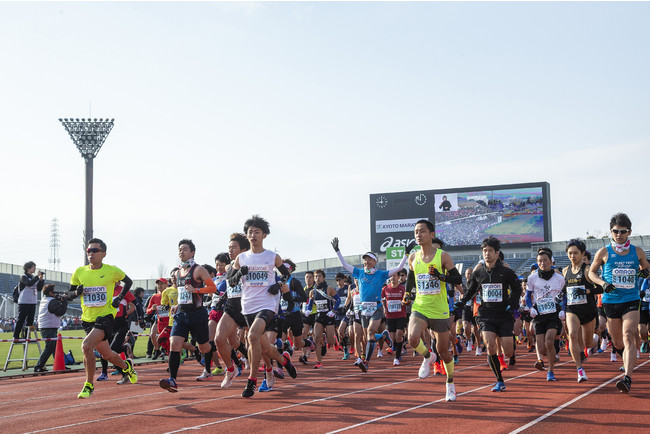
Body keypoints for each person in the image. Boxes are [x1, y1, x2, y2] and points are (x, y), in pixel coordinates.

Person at [229, 215, 297, 398]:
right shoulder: (241, 258)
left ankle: (252, 381)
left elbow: (286, 274)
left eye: (256, 232)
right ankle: (284, 361)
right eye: (250, 232)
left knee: (252, 336)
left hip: (267, 303)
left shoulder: (272, 257)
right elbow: (231, 282)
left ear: (264, 235)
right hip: (248, 305)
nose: (253, 235)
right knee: (266, 348)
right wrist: (238, 275)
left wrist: (278, 284)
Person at [66, 238, 138, 399]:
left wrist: (119, 297)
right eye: (88, 251)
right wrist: (76, 292)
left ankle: (89, 385)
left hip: (106, 316)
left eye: (95, 251)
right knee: (108, 355)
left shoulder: (112, 271)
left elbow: (128, 281)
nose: (91, 253)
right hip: (87, 319)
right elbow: (69, 294)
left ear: (103, 254)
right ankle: (127, 367)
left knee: (86, 346)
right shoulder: (79, 272)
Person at [589, 213, 650, 394]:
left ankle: (627, 378)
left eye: (622, 231)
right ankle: (626, 361)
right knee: (617, 342)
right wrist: (602, 283)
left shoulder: (637, 251)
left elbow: (646, 267)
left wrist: (645, 271)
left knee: (629, 334)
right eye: (615, 231)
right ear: (611, 232)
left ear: (629, 232)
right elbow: (591, 273)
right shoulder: (604, 252)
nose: (619, 235)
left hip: (631, 300)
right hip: (610, 302)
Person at [331, 237, 412, 373]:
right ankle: (384, 336)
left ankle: (366, 362)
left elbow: (398, 267)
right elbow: (345, 265)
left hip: (376, 308)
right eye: (365, 259)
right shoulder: (359, 272)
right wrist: (337, 250)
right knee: (365, 337)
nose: (366, 262)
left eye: (369, 259)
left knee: (369, 333)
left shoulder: (381, 274)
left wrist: (406, 254)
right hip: (363, 308)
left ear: (375, 261)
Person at [405, 220, 462, 402]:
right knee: (412, 338)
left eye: (422, 231)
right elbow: (411, 278)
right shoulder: (413, 257)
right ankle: (428, 357)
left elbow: (457, 277)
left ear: (431, 234)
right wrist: (407, 292)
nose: (418, 235)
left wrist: (440, 276)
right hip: (420, 305)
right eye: (415, 232)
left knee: (444, 350)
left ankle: (450, 384)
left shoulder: (442, 256)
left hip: (439, 309)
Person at [456, 237, 521, 392]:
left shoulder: (506, 272)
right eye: (484, 251)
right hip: (486, 315)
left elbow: (517, 289)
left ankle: (510, 352)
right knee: (490, 345)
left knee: (508, 351)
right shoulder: (478, 273)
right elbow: (470, 290)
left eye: (490, 251)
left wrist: (512, 304)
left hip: (504, 314)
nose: (487, 253)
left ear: (497, 253)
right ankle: (499, 380)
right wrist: (462, 301)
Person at [159, 239, 218, 392]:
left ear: (192, 252)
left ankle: (210, 363)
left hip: (197, 315)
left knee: (204, 347)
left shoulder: (199, 270)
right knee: (174, 343)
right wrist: (178, 305)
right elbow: (183, 293)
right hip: (182, 315)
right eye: (180, 249)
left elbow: (213, 287)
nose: (181, 252)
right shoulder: (178, 273)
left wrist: (197, 290)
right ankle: (172, 380)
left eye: (185, 249)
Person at [216, 233, 251, 389]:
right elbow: (231, 284)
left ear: (243, 249)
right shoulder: (229, 266)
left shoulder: (254, 263)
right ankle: (231, 369)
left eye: (233, 247)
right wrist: (222, 300)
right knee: (219, 339)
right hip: (232, 307)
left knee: (260, 345)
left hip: (250, 306)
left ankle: (270, 370)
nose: (230, 250)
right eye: (228, 247)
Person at [563, 239, 600, 383]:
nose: (572, 256)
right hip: (572, 309)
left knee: (587, 343)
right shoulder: (565, 271)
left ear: (582, 253)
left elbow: (601, 288)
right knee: (571, 335)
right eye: (570, 253)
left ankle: (595, 341)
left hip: (588, 311)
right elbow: (564, 289)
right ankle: (579, 369)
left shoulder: (588, 270)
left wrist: (589, 290)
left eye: (575, 253)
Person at [526, 248, 566, 382]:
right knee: (542, 348)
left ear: (551, 261)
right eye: (540, 261)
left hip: (554, 314)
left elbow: (563, 296)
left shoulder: (559, 278)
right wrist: (531, 307)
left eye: (545, 260)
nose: (542, 263)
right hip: (539, 314)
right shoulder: (532, 278)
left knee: (549, 340)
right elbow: (527, 296)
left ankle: (550, 371)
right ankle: (551, 355)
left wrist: (562, 309)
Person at [308, 269, 341, 369]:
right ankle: (319, 361)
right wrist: (308, 310)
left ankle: (330, 339)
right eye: (316, 276)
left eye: (319, 276)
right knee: (316, 338)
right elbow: (310, 303)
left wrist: (333, 311)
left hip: (328, 315)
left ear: (323, 277)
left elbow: (338, 300)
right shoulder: (312, 291)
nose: (317, 278)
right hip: (319, 316)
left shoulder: (329, 289)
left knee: (330, 342)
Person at [34, 284, 67, 372]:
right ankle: (38, 366)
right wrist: (64, 302)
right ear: (50, 292)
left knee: (55, 348)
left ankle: (60, 364)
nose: (55, 292)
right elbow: (60, 311)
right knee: (49, 347)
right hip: (48, 327)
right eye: (54, 290)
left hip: (46, 326)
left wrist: (59, 300)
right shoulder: (51, 301)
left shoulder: (45, 299)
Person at [14, 261, 44, 341]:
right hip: (24, 301)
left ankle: (27, 336)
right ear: (28, 268)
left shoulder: (34, 278)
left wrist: (41, 280)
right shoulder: (23, 276)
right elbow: (29, 283)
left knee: (30, 321)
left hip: (32, 301)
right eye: (33, 267)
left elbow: (39, 289)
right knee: (21, 319)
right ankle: (16, 336)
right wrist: (37, 277)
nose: (35, 269)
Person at [382, 272, 407, 365]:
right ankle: (399, 347)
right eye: (391, 276)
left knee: (398, 336)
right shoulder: (385, 289)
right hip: (390, 316)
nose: (393, 278)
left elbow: (407, 300)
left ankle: (397, 357)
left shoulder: (402, 288)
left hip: (401, 315)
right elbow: (382, 299)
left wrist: (404, 303)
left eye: (394, 276)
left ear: (398, 277)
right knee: (393, 338)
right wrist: (384, 307)